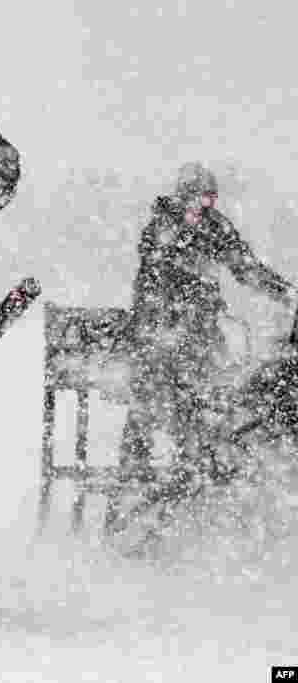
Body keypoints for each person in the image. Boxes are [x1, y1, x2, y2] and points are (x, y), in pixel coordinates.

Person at [116, 161, 296, 506]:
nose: (208, 207)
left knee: (210, 401)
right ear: (185, 197)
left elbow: (246, 267)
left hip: (200, 334)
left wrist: (284, 292)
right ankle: (136, 478)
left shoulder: (215, 228)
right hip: (159, 333)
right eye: (203, 200)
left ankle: (196, 472)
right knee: (148, 399)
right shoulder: (162, 229)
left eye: (212, 200)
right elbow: (152, 284)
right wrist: (172, 313)